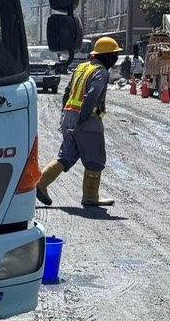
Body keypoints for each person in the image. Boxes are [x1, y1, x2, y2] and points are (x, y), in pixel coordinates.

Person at [35, 36, 122, 210]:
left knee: (66, 156)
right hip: (87, 120)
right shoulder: (101, 72)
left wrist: (66, 116)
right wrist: (82, 119)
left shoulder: (82, 68)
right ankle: (90, 197)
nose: (115, 59)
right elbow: (92, 95)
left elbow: (67, 93)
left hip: (69, 116)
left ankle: (40, 184)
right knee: (95, 159)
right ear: (107, 56)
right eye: (114, 55)